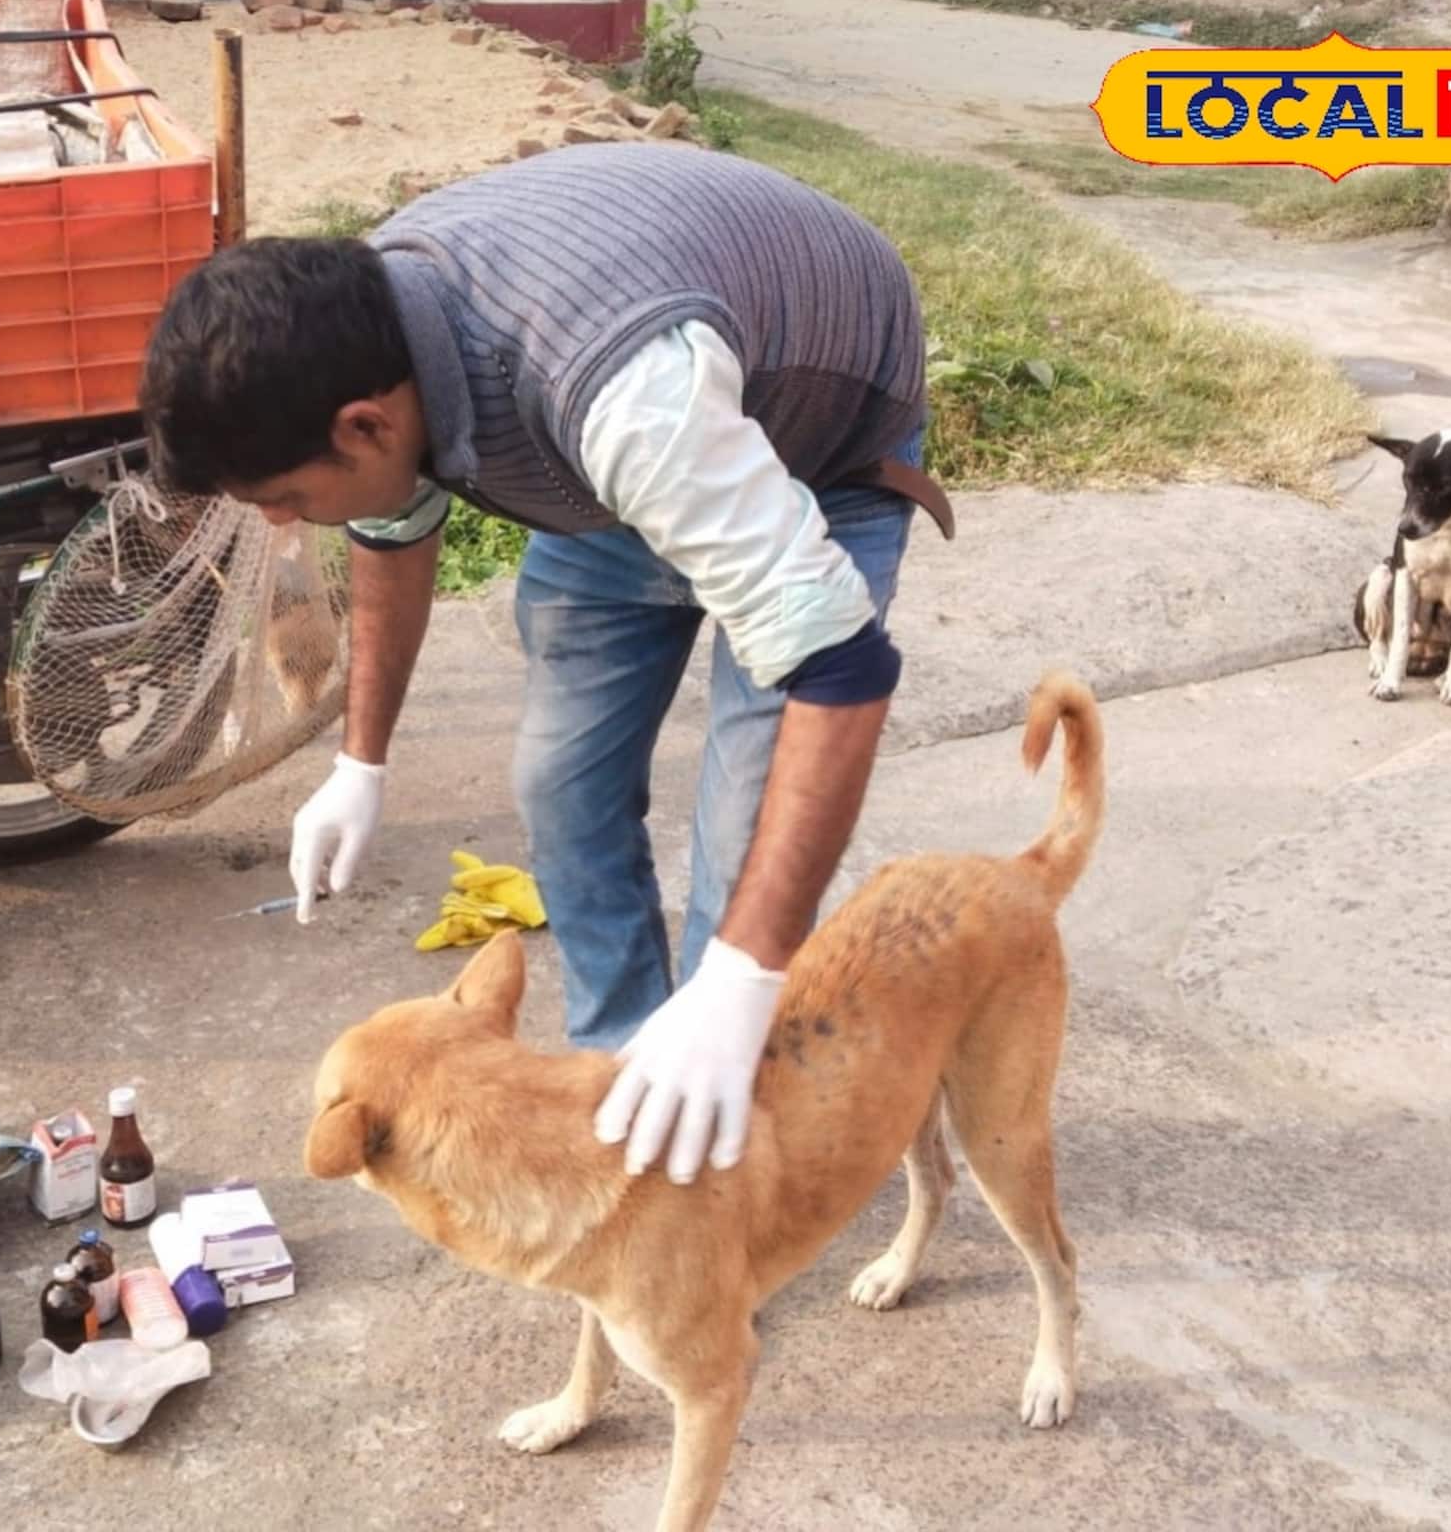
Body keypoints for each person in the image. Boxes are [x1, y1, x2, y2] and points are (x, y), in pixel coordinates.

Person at [140, 142, 951, 1188]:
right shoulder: (371, 334)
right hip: (606, 449)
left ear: (365, 424)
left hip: (815, 441)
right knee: (559, 786)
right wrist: (362, 764)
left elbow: (841, 673)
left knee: (741, 835)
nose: (287, 525)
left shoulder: (621, 401)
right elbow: (392, 522)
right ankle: (627, 1068)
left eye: (285, 498)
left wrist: (743, 978)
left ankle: (725, 1126)